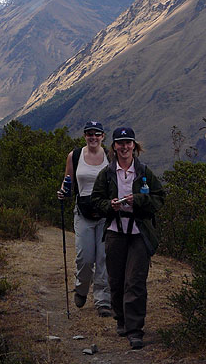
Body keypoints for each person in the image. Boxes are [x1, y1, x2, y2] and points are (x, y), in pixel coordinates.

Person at [91, 126, 165, 350]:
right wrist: (110, 206)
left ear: (134, 146)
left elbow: (160, 198)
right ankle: (121, 319)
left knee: (135, 281)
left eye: (128, 143)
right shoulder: (107, 173)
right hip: (115, 231)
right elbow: (96, 201)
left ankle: (135, 330)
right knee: (117, 280)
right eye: (120, 143)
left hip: (139, 233)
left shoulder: (143, 172)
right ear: (113, 146)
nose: (124, 147)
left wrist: (139, 202)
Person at [57, 121, 111, 317]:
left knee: (104, 258)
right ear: (85, 136)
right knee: (85, 257)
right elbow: (68, 180)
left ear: (103, 136)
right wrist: (63, 192)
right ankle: (81, 289)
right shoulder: (75, 156)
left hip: (106, 214)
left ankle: (103, 300)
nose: (93, 137)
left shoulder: (110, 156)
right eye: (90, 134)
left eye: (97, 134)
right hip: (83, 213)